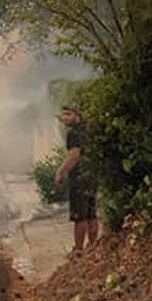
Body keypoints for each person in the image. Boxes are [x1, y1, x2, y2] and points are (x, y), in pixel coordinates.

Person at [54, 104, 98, 253]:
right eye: (64, 115)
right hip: (92, 174)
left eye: (69, 114)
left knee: (79, 215)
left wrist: (60, 172)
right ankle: (93, 246)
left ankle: (78, 250)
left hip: (79, 177)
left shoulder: (73, 133)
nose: (65, 117)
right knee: (91, 212)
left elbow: (74, 155)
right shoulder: (88, 129)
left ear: (77, 115)